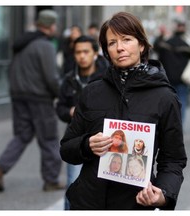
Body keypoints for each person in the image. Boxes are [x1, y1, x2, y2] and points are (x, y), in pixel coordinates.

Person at [60, 11, 187, 210]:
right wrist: (86, 145)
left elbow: (173, 159)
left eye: (126, 40)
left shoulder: (164, 97)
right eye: (112, 43)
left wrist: (163, 194)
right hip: (87, 202)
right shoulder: (92, 92)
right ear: (106, 51)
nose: (119, 48)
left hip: (134, 204)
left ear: (142, 44)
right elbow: (67, 147)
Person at [0, 9, 64, 192]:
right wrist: (60, 94)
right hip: (39, 98)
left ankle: (0, 166)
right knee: (48, 138)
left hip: (19, 96)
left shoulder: (22, 42)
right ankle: (51, 180)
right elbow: (51, 77)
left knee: (22, 136)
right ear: (51, 25)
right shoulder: (45, 45)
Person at [56, 35, 108, 210]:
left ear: (95, 53)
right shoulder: (69, 79)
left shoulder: (106, 77)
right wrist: (69, 112)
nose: (82, 56)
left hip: (104, 139)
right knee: (73, 182)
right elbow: (60, 107)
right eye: (78, 52)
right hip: (77, 138)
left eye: (86, 51)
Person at [154, 21, 190, 124]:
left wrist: (161, 35)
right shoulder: (186, 46)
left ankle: (169, 123)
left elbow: (156, 49)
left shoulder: (166, 44)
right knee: (182, 102)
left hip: (168, 78)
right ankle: (180, 123)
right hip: (182, 78)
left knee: (168, 102)